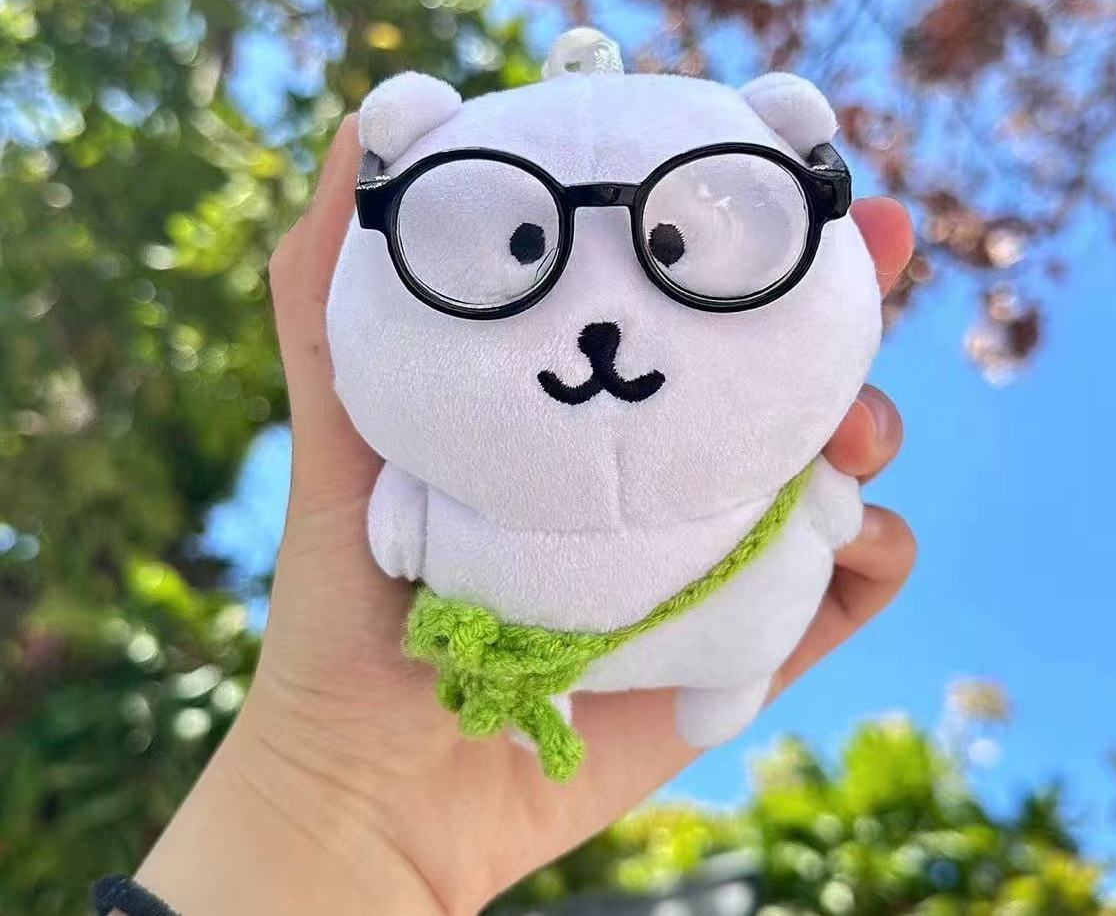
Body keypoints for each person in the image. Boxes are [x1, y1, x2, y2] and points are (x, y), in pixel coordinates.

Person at [108, 116, 916, 916]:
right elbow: (393, 532)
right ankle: (694, 685)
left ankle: (721, 683)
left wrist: (330, 821)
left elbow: (400, 534)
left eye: (668, 246)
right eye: (527, 246)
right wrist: (326, 798)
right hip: (499, 697)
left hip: (720, 629)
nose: (602, 313)